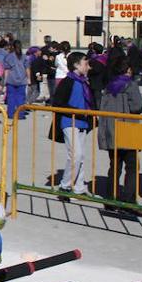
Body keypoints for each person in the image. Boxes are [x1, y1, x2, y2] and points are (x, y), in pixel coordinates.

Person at [96, 55, 142, 209]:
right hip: (128, 130)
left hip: (111, 131)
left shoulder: (109, 87)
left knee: (114, 166)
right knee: (131, 166)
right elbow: (137, 106)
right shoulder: (130, 85)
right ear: (128, 69)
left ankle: (111, 197)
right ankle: (128, 199)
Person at [49, 52, 93, 195]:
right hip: (69, 122)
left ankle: (79, 186)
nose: (88, 67)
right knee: (76, 154)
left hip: (83, 123)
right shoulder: (67, 81)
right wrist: (78, 112)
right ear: (76, 65)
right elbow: (58, 103)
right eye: (85, 64)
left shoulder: (84, 81)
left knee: (81, 156)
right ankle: (65, 185)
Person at [0, 39, 30, 120]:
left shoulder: (9, 56)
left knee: (11, 98)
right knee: (21, 98)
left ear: (12, 47)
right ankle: (20, 114)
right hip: (22, 80)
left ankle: (10, 114)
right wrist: (29, 79)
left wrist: (5, 81)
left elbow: (6, 70)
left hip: (11, 80)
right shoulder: (24, 57)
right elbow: (27, 68)